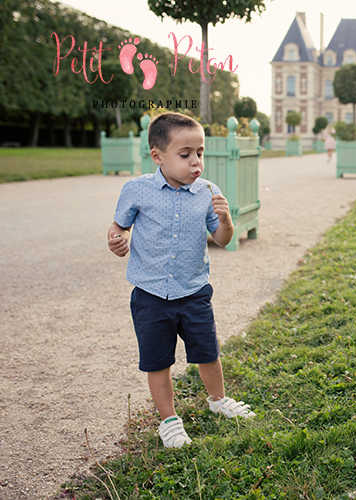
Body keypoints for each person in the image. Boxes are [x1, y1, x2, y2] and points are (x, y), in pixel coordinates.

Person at [107, 112, 256, 449]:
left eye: (200, 153)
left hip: (193, 292)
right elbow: (118, 227)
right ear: (158, 156)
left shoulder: (208, 192)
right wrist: (116, 240)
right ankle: (169, 421)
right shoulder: (137, 190)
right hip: (151, 295)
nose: (196, 162)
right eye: (185, 154)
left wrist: (226, 220)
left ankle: (218, 400)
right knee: (157, 361)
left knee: (207, 352)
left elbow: (221, 239)